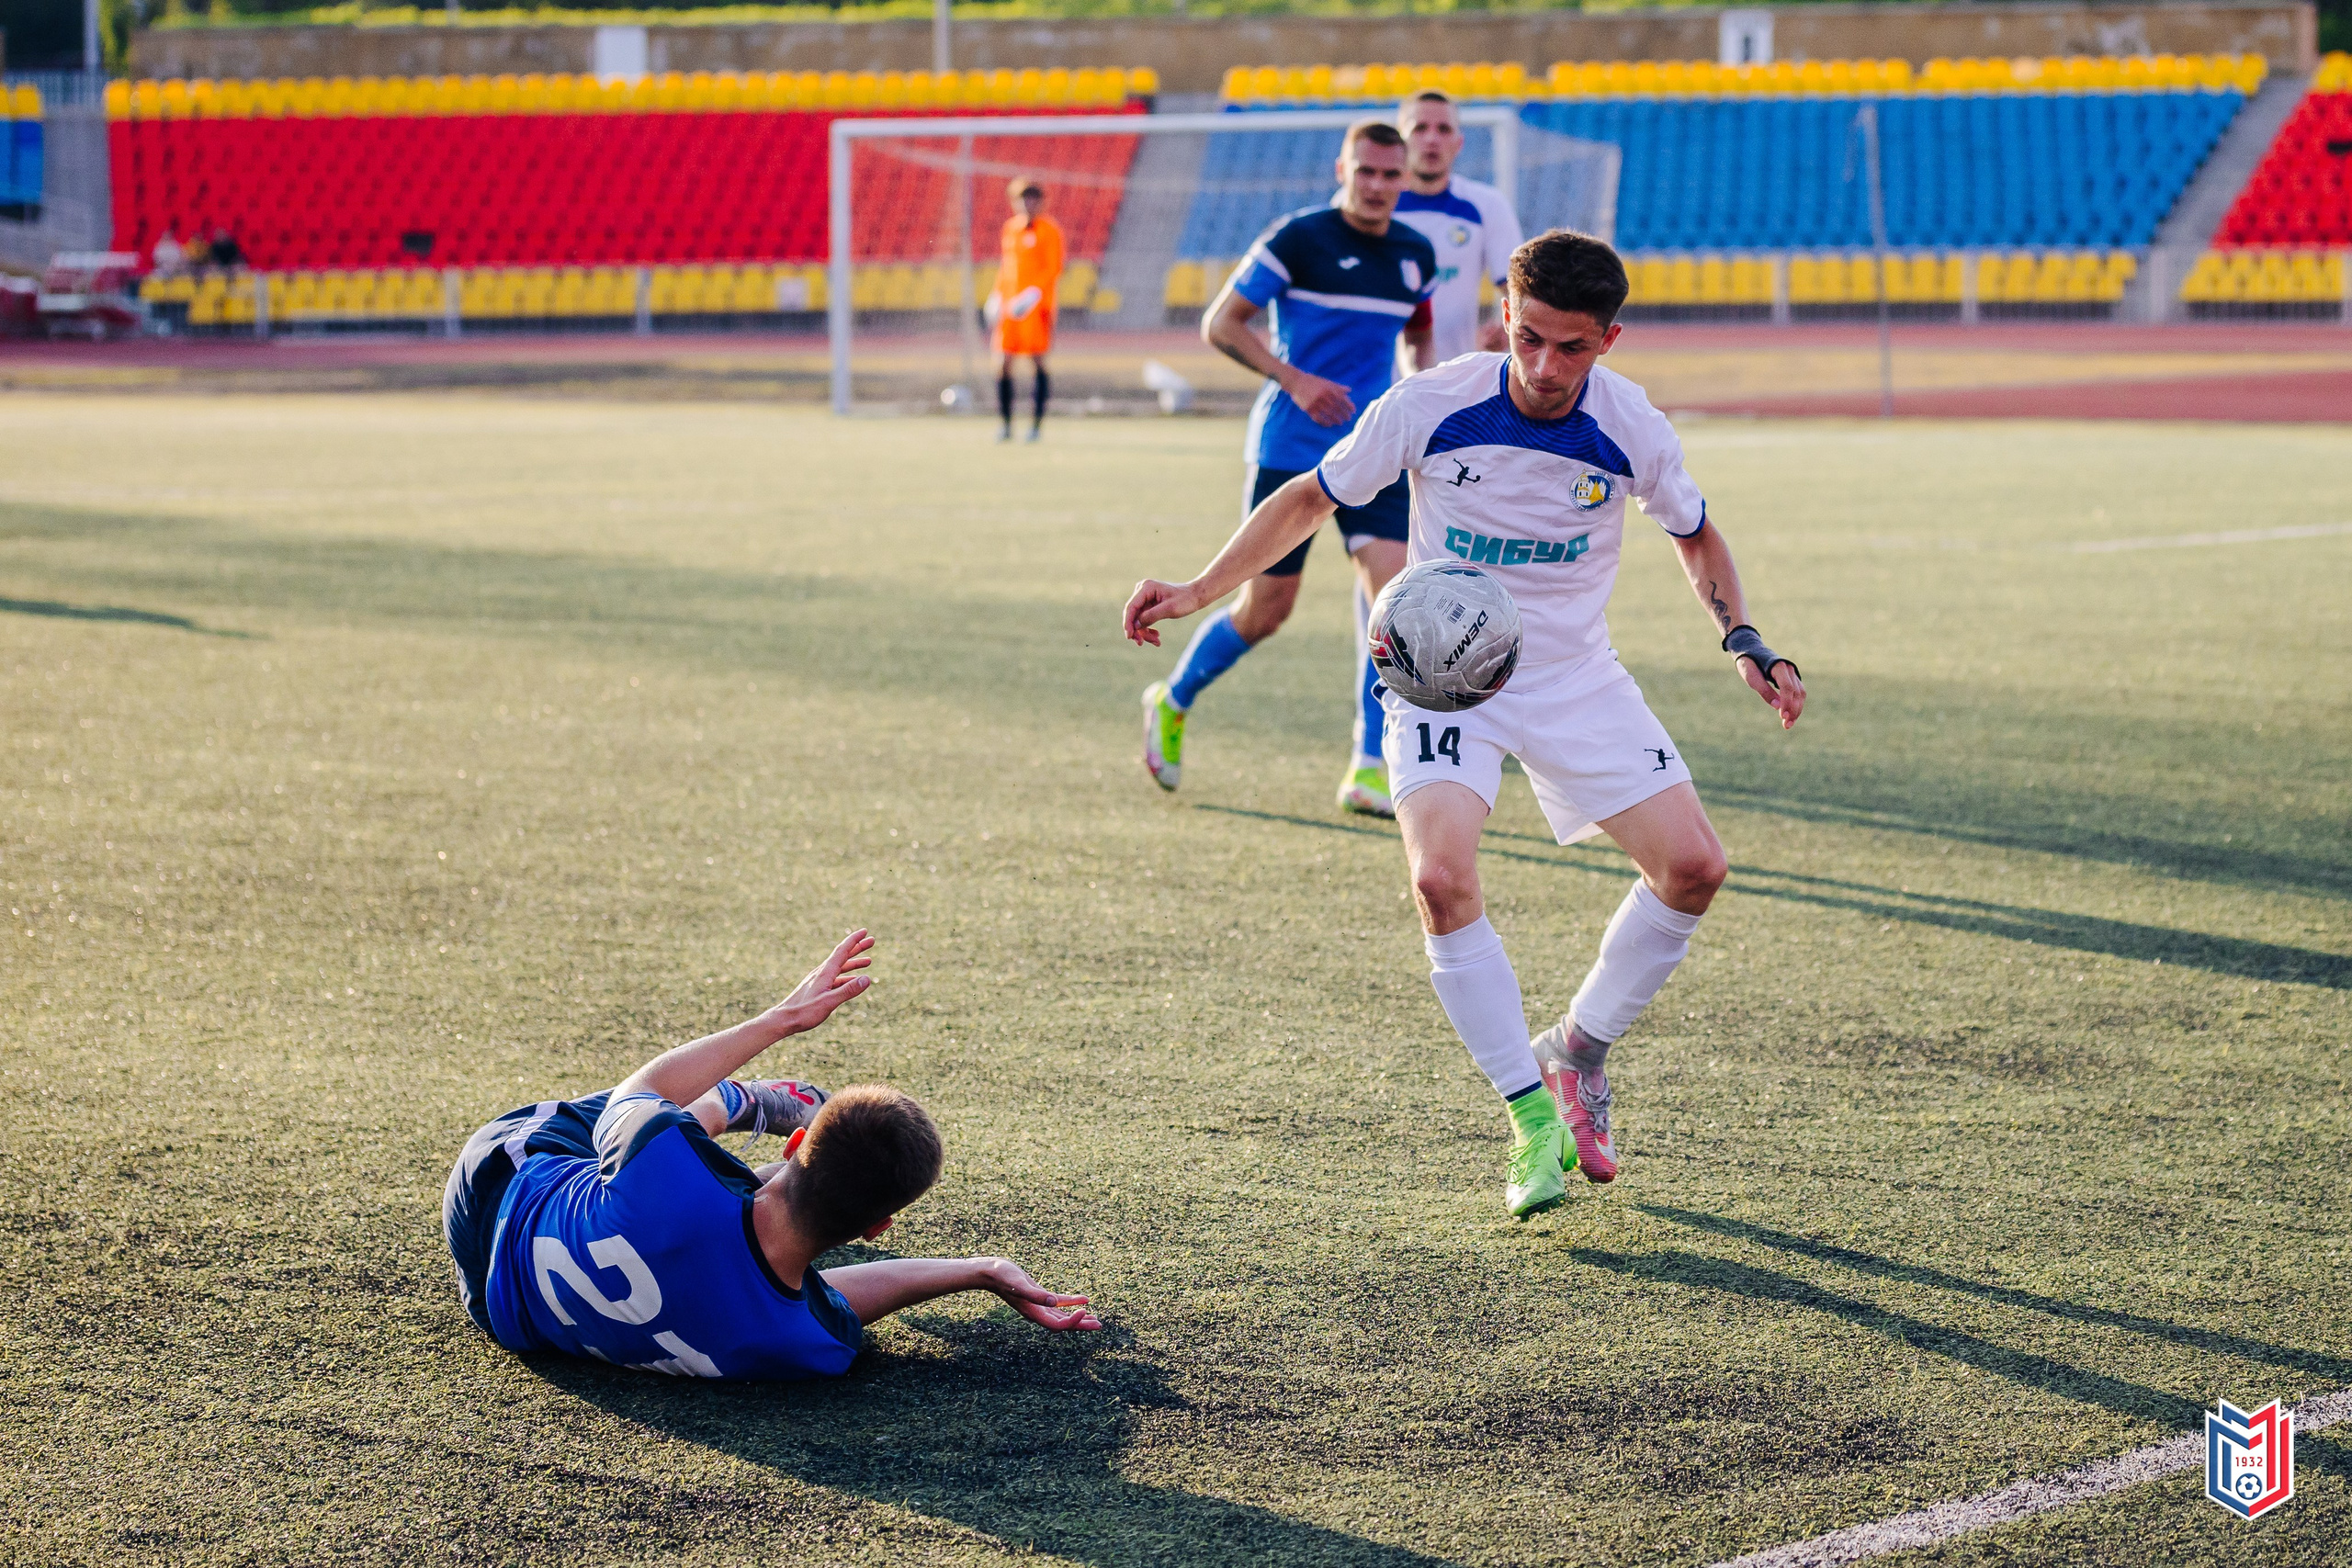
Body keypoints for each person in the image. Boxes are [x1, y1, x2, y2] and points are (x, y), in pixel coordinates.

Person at [1123, 231, 1806, 1220]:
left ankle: (1576, 1051)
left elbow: (1694, 534)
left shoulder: (1630, 426)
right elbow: (1312, 496)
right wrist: (1197, 588)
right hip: (1442, 675)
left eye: (1571, 347)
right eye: (1528, 338)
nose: (1544, 366)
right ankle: (1528, 1118)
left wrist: (1743, 637)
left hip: (1572, 675)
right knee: (1440, 880)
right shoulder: (1431, 403)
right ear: (1504, 317)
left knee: (1695, 869)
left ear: (1609, 340)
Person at [443, 930, 1099, 1379]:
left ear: (795, 1144)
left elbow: (641, 1091)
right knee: (663, 1146)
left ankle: (745, 1100)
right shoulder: (811, 1345)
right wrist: (979, 1269)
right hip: (503, 1312)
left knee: (654, 1117)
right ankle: (740, 1116)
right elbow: (832, 1298)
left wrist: (782, 1018)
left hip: (499, 1181)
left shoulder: (667, 1169)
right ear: (877, 1228)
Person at [1140, 119, 1436, 820]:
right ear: (1342, 169)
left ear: (1404, 178)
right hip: (1291, 448)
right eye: (1365, 171)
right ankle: (1173, 698)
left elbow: (1419, 331)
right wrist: (1294, 378)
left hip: (1373, 450)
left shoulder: (1416, 254)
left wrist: (1416, 390)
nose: (1376, 186)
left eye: (1389, 175)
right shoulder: (1299, 238)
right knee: (1266, 612)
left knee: (1392, 601)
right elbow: (1222, 323)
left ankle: (1369, 763)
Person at [1391, 90, 1523, 366]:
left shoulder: (1487, 205)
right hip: (1379, 380)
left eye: (1443, 129)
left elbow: (1519, 289)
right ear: (1399, 141)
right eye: (1419, 128)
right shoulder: (1367, 206)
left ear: (1458, 143)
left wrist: (1511, 325)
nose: (1432, 139)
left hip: (1456, 377)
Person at [991, 181, 1065, 444]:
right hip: (1011, 307)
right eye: (1023, 199)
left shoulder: (1050, 230)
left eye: (1033, 199)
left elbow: (1053, 268)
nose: (1027, 204)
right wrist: (996, 295)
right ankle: (1006, 424)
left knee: (1038, 362)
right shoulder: (1010, 228)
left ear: (1041, 202)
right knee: (1003, 363)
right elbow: (1007, 266)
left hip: (1036, 308)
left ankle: (1036, 425)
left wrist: (1032, 295)